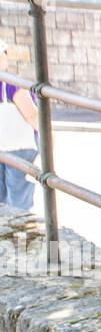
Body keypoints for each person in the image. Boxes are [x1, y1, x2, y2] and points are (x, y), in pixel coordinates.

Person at [0, 40, 39, 211]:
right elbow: (32, 114)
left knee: (2, 198)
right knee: (19, 199)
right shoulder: (11, 83)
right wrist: (48, 137)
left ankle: (5, 234)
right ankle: (19, 237)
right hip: (19, 146)